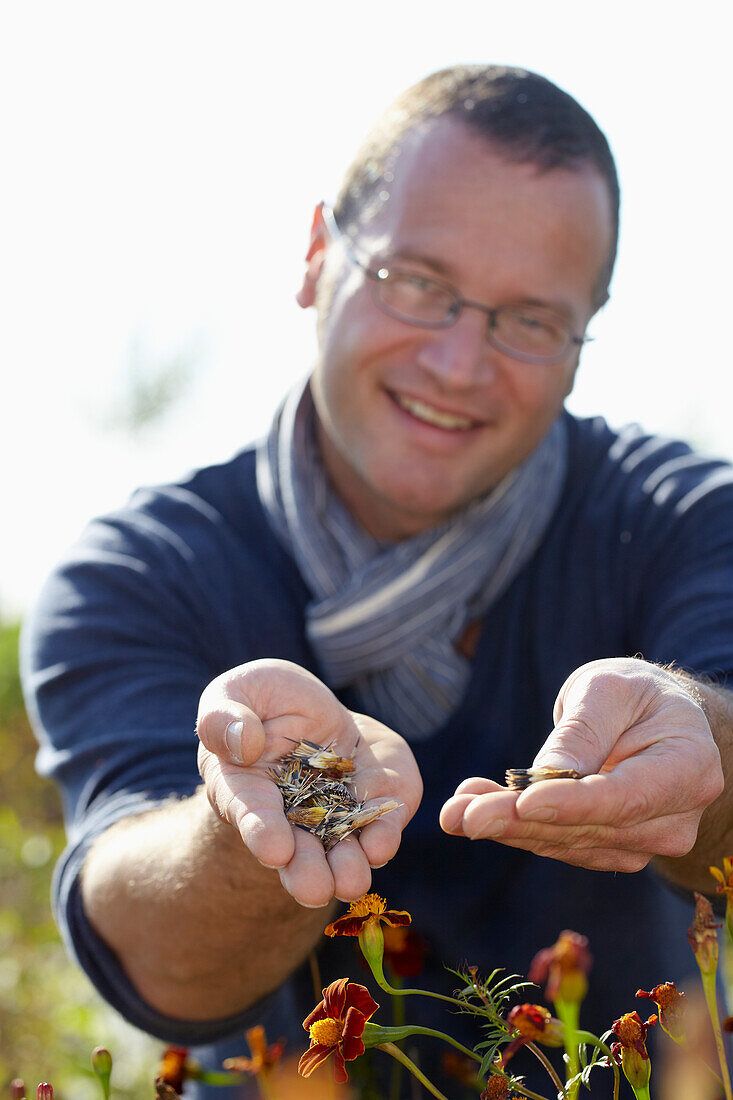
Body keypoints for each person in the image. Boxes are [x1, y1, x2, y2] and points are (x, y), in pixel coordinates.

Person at [22, 64, 733, 1097]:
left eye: (529, 318)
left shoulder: (677, 519)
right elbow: (151, 953)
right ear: (317, 255)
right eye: (416, 281)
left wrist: (702, 742)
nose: (455, 360)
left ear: (584, 340)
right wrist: (243, 827)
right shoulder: (140, 575)